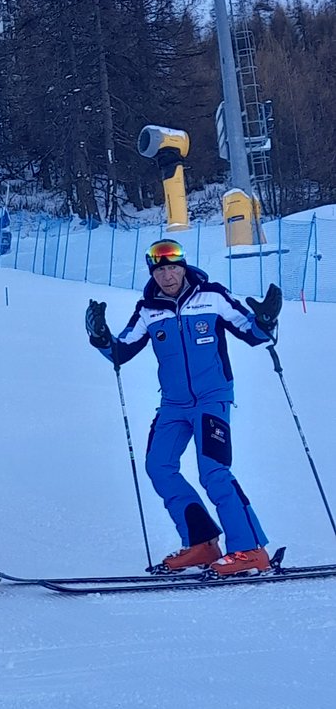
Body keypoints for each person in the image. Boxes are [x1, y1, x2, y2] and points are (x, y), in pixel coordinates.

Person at [86, 237, 282, 577]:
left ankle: (250, 550)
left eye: (173, 268)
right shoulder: (148, 310)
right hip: (173, 405)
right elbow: (121, 351)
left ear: (183, 266)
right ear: (152, 273)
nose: (167, 276)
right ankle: (203, 543)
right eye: (160, 271)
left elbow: (253, 333)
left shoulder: (212, 296)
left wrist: (265, 321)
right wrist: (101, 337)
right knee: (159, 466)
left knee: (213, 472)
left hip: (212, 399)